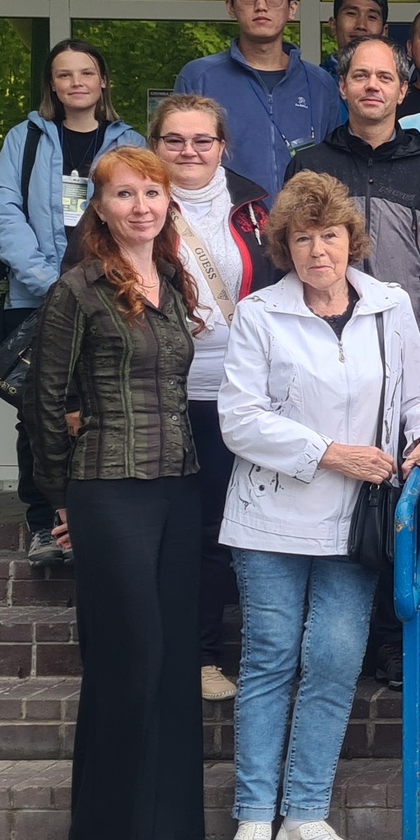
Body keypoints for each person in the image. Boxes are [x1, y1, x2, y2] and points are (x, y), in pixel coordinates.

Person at [214, 172, 420, 840]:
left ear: (353, 240)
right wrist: (329, 453)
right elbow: (239, 420)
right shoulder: (259, 313)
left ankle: (305, 817)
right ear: (284, 247)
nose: (319, 251)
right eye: (303, 238)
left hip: (355, 521)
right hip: (269, 518)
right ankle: (254, 817)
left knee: (336, 661)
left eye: (331, 235)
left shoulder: (389, 305)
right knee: (270, 659)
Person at [27, 146, 205, 840]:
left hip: (178, 486)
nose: (141, 207)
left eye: (152, 193)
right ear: (99, 209)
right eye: (125, 195)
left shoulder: (174, 280)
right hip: (108, 487)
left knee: (174, 659)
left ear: (168, 204)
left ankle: (168, 829)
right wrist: (62, 497)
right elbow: (43, 401)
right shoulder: (78, 290)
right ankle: (108, 836)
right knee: (128, 655)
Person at [0, 38, 142, 566]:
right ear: (52, 85)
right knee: (39, 414)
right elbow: (3, 208)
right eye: (64, 74)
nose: (76, 82)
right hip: (35, 297)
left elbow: (144, 210)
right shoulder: (25, 138)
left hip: (109, 294)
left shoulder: (129, 142)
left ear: (103, 81)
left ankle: (98, 521)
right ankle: (45, 526)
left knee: (103, 408)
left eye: (86, 72)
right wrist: (47, 279)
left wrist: (104, 278)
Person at [148, 94, 279, 706]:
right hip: (159, 393)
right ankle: (169, 655)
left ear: (222, 146)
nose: (189, 151)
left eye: (202, 140)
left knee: (221, 532)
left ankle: (207, 655)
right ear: (155, 145)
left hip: (238, 393)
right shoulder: (134, 203)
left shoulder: (255, 208)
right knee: (168, 528)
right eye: (174, 140)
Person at [286, 33, 420, 312]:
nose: (372, 85)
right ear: (343, 86)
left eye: (384, 77)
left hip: (405, 330)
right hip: (322, 330)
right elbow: (289, 258)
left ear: (402, 91)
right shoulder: (309, 168)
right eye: (361, 76)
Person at [174, 0, 345, 197]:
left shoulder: (320, 83)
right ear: (231, 7)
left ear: (292, 8)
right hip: (226, 216)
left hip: (304, 217)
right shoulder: (199, 77)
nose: (261, 6)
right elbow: (178, 160)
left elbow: (337, 165)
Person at [324, 0, 390, 78]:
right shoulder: (314, 81)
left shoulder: (395, 83)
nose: (361, 25)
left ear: (384, 31)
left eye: (372, 17)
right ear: (333, 25)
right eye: (351, 14)